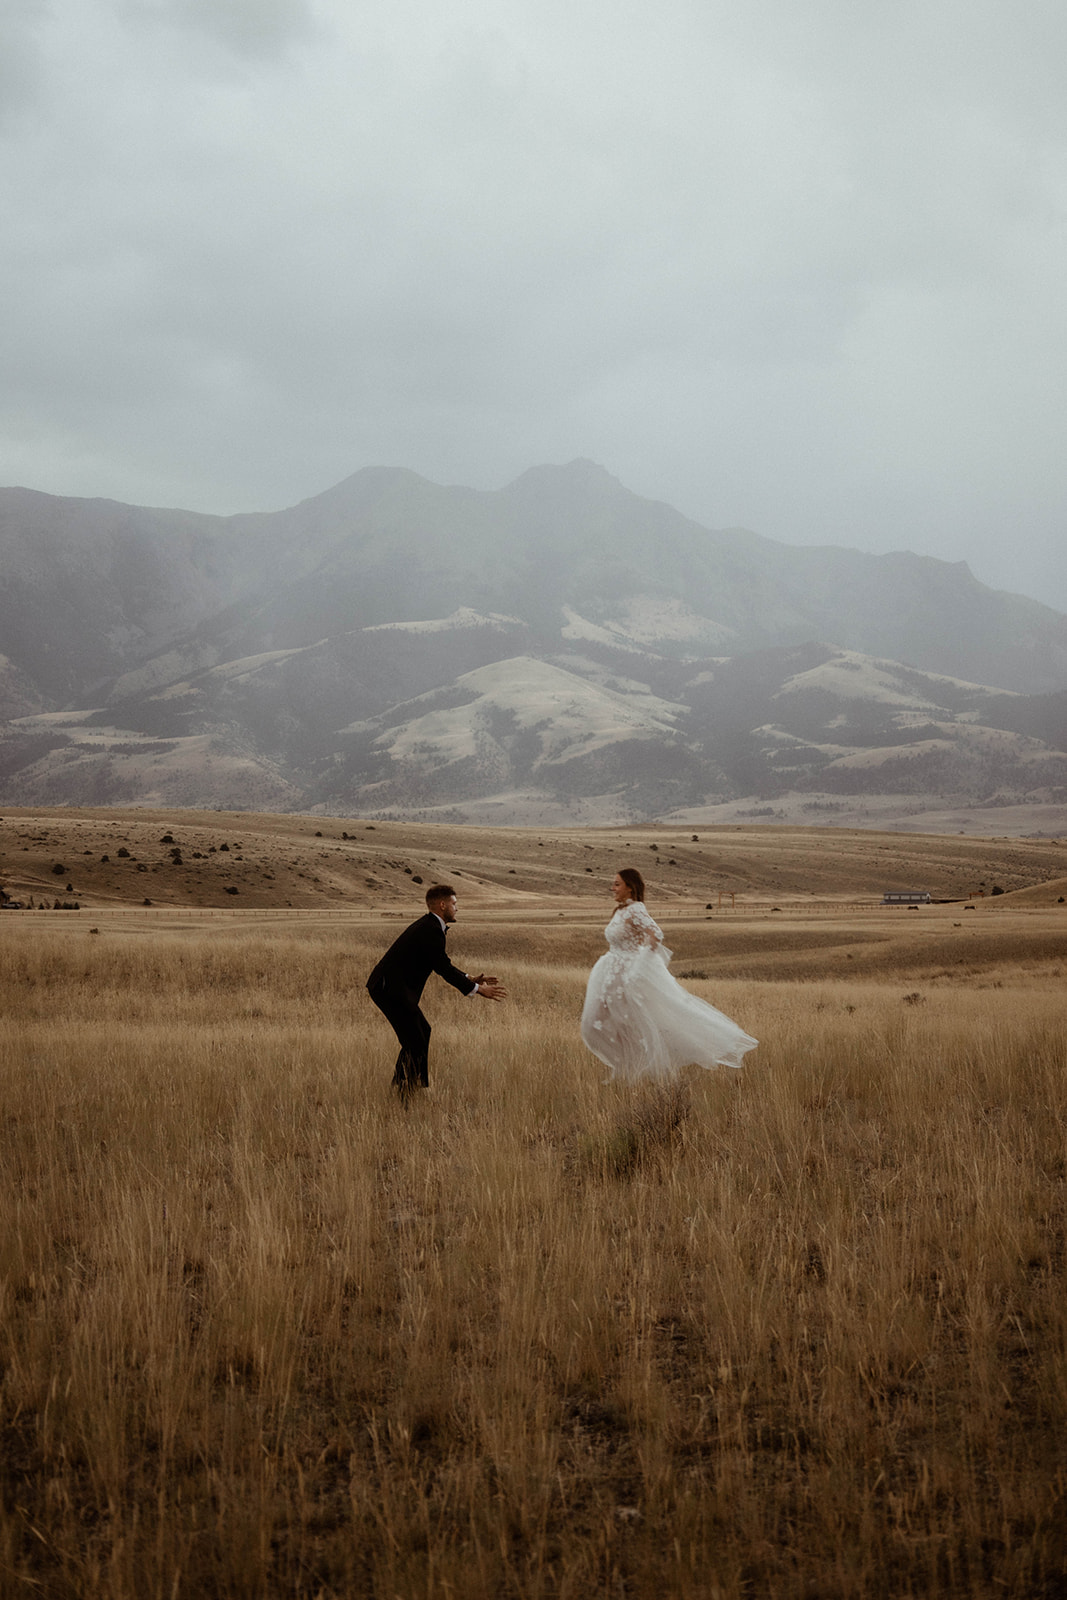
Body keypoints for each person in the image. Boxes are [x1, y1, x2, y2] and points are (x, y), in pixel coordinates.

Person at [581, 867, 756, 1082]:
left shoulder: (636, 909)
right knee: (593, 1023)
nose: (612, 888)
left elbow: (656, 934)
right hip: (609, 972)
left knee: (629, 1023)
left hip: (627, 975)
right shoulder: (619, 911)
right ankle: (626, 1066)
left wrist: (640, 963)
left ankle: (632, 1071)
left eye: (617, 884)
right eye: (613, 884)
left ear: (630, 887)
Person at [367, 883, 506, 1095]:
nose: (457, 908)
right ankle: (406, 1090)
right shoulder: (431, 929)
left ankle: (403, 1087)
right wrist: (478, 989)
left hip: (392, 988)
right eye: (454, 904)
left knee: (420, 1033)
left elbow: (440, 963)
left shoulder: (430, 926)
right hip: (389, 989)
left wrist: (469, 977)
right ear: (442, 905)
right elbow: (443, 968)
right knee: (415, 1037)